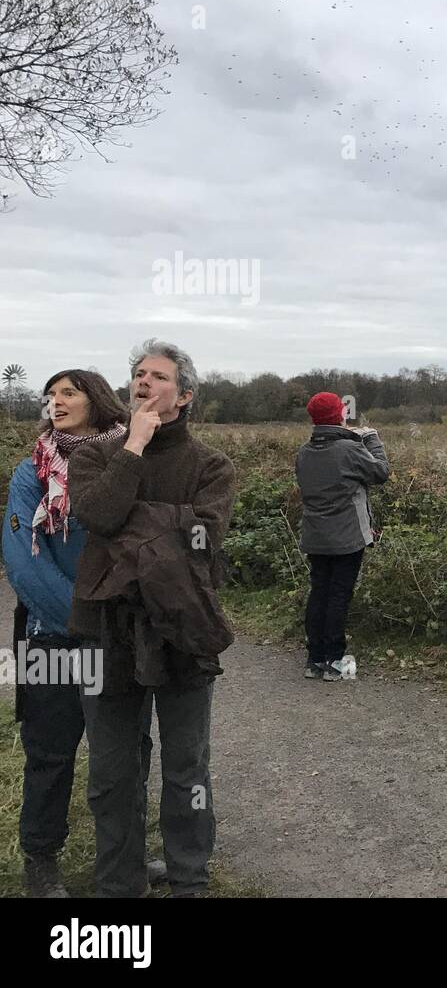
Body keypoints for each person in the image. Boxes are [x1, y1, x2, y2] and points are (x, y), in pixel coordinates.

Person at [68, 339, 236, 897]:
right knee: (113, 772)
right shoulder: (95, 456)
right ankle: (121, 884)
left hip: (183, 626)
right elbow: (96, 513)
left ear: (184, 395)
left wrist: (129, 529)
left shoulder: (211, 466)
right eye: (138, 373)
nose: (143, 381)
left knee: (187, 768)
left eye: (158, 376)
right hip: (106, 627)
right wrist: (133, 449)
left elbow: (202, 539)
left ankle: (190, 880)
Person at [2, 369, 163, 897]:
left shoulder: (129, 462)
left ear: (96, 400)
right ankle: (41, 862)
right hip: (53, 636)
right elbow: (23, 563)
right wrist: (78, 620)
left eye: (68, 392)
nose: (55, 401)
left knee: (127, 751)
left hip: (118, 634)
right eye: (50, 395)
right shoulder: (31, 473)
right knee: (49, 751)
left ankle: (126, 857)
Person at [295, 392, 389, 680]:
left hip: (315, 535)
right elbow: (381, 472)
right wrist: (370, 438)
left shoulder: (304, 453)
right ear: (340, 415)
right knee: (338, 595)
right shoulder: (350, 449)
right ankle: (335, 661)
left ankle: (315, 659)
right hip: (347, 537)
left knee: (319, 591)